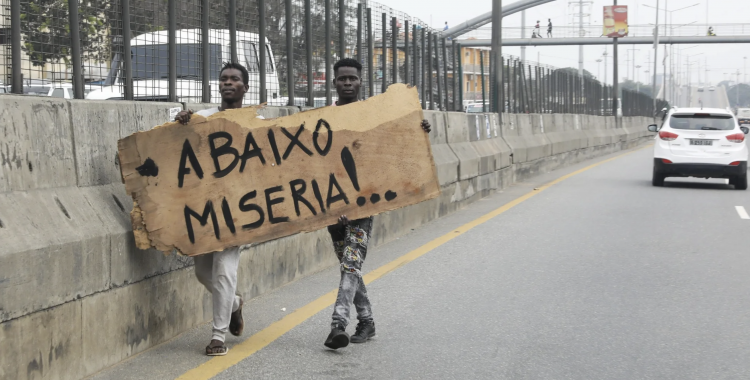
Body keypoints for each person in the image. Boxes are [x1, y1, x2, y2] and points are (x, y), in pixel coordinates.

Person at [323, 58, 431, 349]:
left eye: (353, 78)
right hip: (332, 208)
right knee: (351, 266)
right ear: (334, 83)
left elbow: (395, 143)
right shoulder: (323, 119)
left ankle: (338, 326)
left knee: (349, 265)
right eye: (342, 78)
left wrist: (418, 129)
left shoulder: (374, 115)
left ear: (360, 82)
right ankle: (367, 322)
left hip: (363, 206)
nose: (347, 83)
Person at [173, 62, 262, 356]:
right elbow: (172, 142)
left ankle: (218, 337)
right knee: (202, 272)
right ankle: (235, 305)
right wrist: (181, 121)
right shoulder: (202, 118)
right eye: (223, 78)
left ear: (245, 88)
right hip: (204, 209)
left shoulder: (255, 122)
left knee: (224, 269)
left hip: (237, 209)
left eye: (235, 79)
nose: (227, 83)